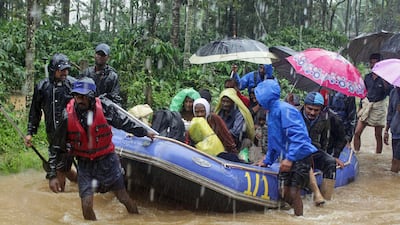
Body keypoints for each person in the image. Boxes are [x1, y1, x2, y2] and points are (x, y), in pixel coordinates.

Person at [48, 77, 156, 220]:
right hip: (85, 164)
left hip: (107, 161)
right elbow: (56, 146)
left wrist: (145, 132)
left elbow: (124, 122)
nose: (79, 100)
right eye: (76, 96)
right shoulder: (67, 116)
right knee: (86, 205)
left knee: (123, 198)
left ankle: (137, 219)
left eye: (83, 97)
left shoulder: (104, 108)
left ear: (92, 97)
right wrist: (52, 175)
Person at [254, 79, 317, 216]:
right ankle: (293, 214)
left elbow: (300, 138)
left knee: (294, 192)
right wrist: (267, 160)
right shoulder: (270, 112)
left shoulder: (286, 110)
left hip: (300, 156)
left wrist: (290, 159)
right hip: (287, 156)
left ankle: (300, 218)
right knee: (283, 192)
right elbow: (273, 140)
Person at [25, 53, 77, 188]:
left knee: (60, 170)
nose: (65, 72)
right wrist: (30, 132)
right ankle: (84, 185)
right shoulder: (42, 87)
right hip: (52, 135)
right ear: (54, 70)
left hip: (70, 136)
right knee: (64, 169)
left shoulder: (73, 85)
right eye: (62, 70)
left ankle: (61, 195)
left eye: (67, 69)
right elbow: (34, 112)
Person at [300, 92, 337, 205]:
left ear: (321, 109)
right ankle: (313, 192)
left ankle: (325, 198)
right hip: (299, 150)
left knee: (330, 162)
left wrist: (330, 155)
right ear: (304, 106)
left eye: (316, 110)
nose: (312, 113)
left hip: (315, 150)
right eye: (309, 109)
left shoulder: (325, 118)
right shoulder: (295, 115)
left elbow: (325, 140)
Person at [354, 53, 393, 153]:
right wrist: (360, 107)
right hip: (367, 105)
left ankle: (377, 155)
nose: (373, 65)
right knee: (357, 132)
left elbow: (390, 92)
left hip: (379, 107)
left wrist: (384, 80)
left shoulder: (386, 78)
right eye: (371, 63)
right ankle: (357, 152)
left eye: (375, 63)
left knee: (378, 134)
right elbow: (363, 93)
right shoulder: (367, 77)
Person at [384, 87, 400, 173]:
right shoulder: (394, 92)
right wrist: (386, 130)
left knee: (395, 161)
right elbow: (390, 112)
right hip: (395, 130)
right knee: (395, 159)